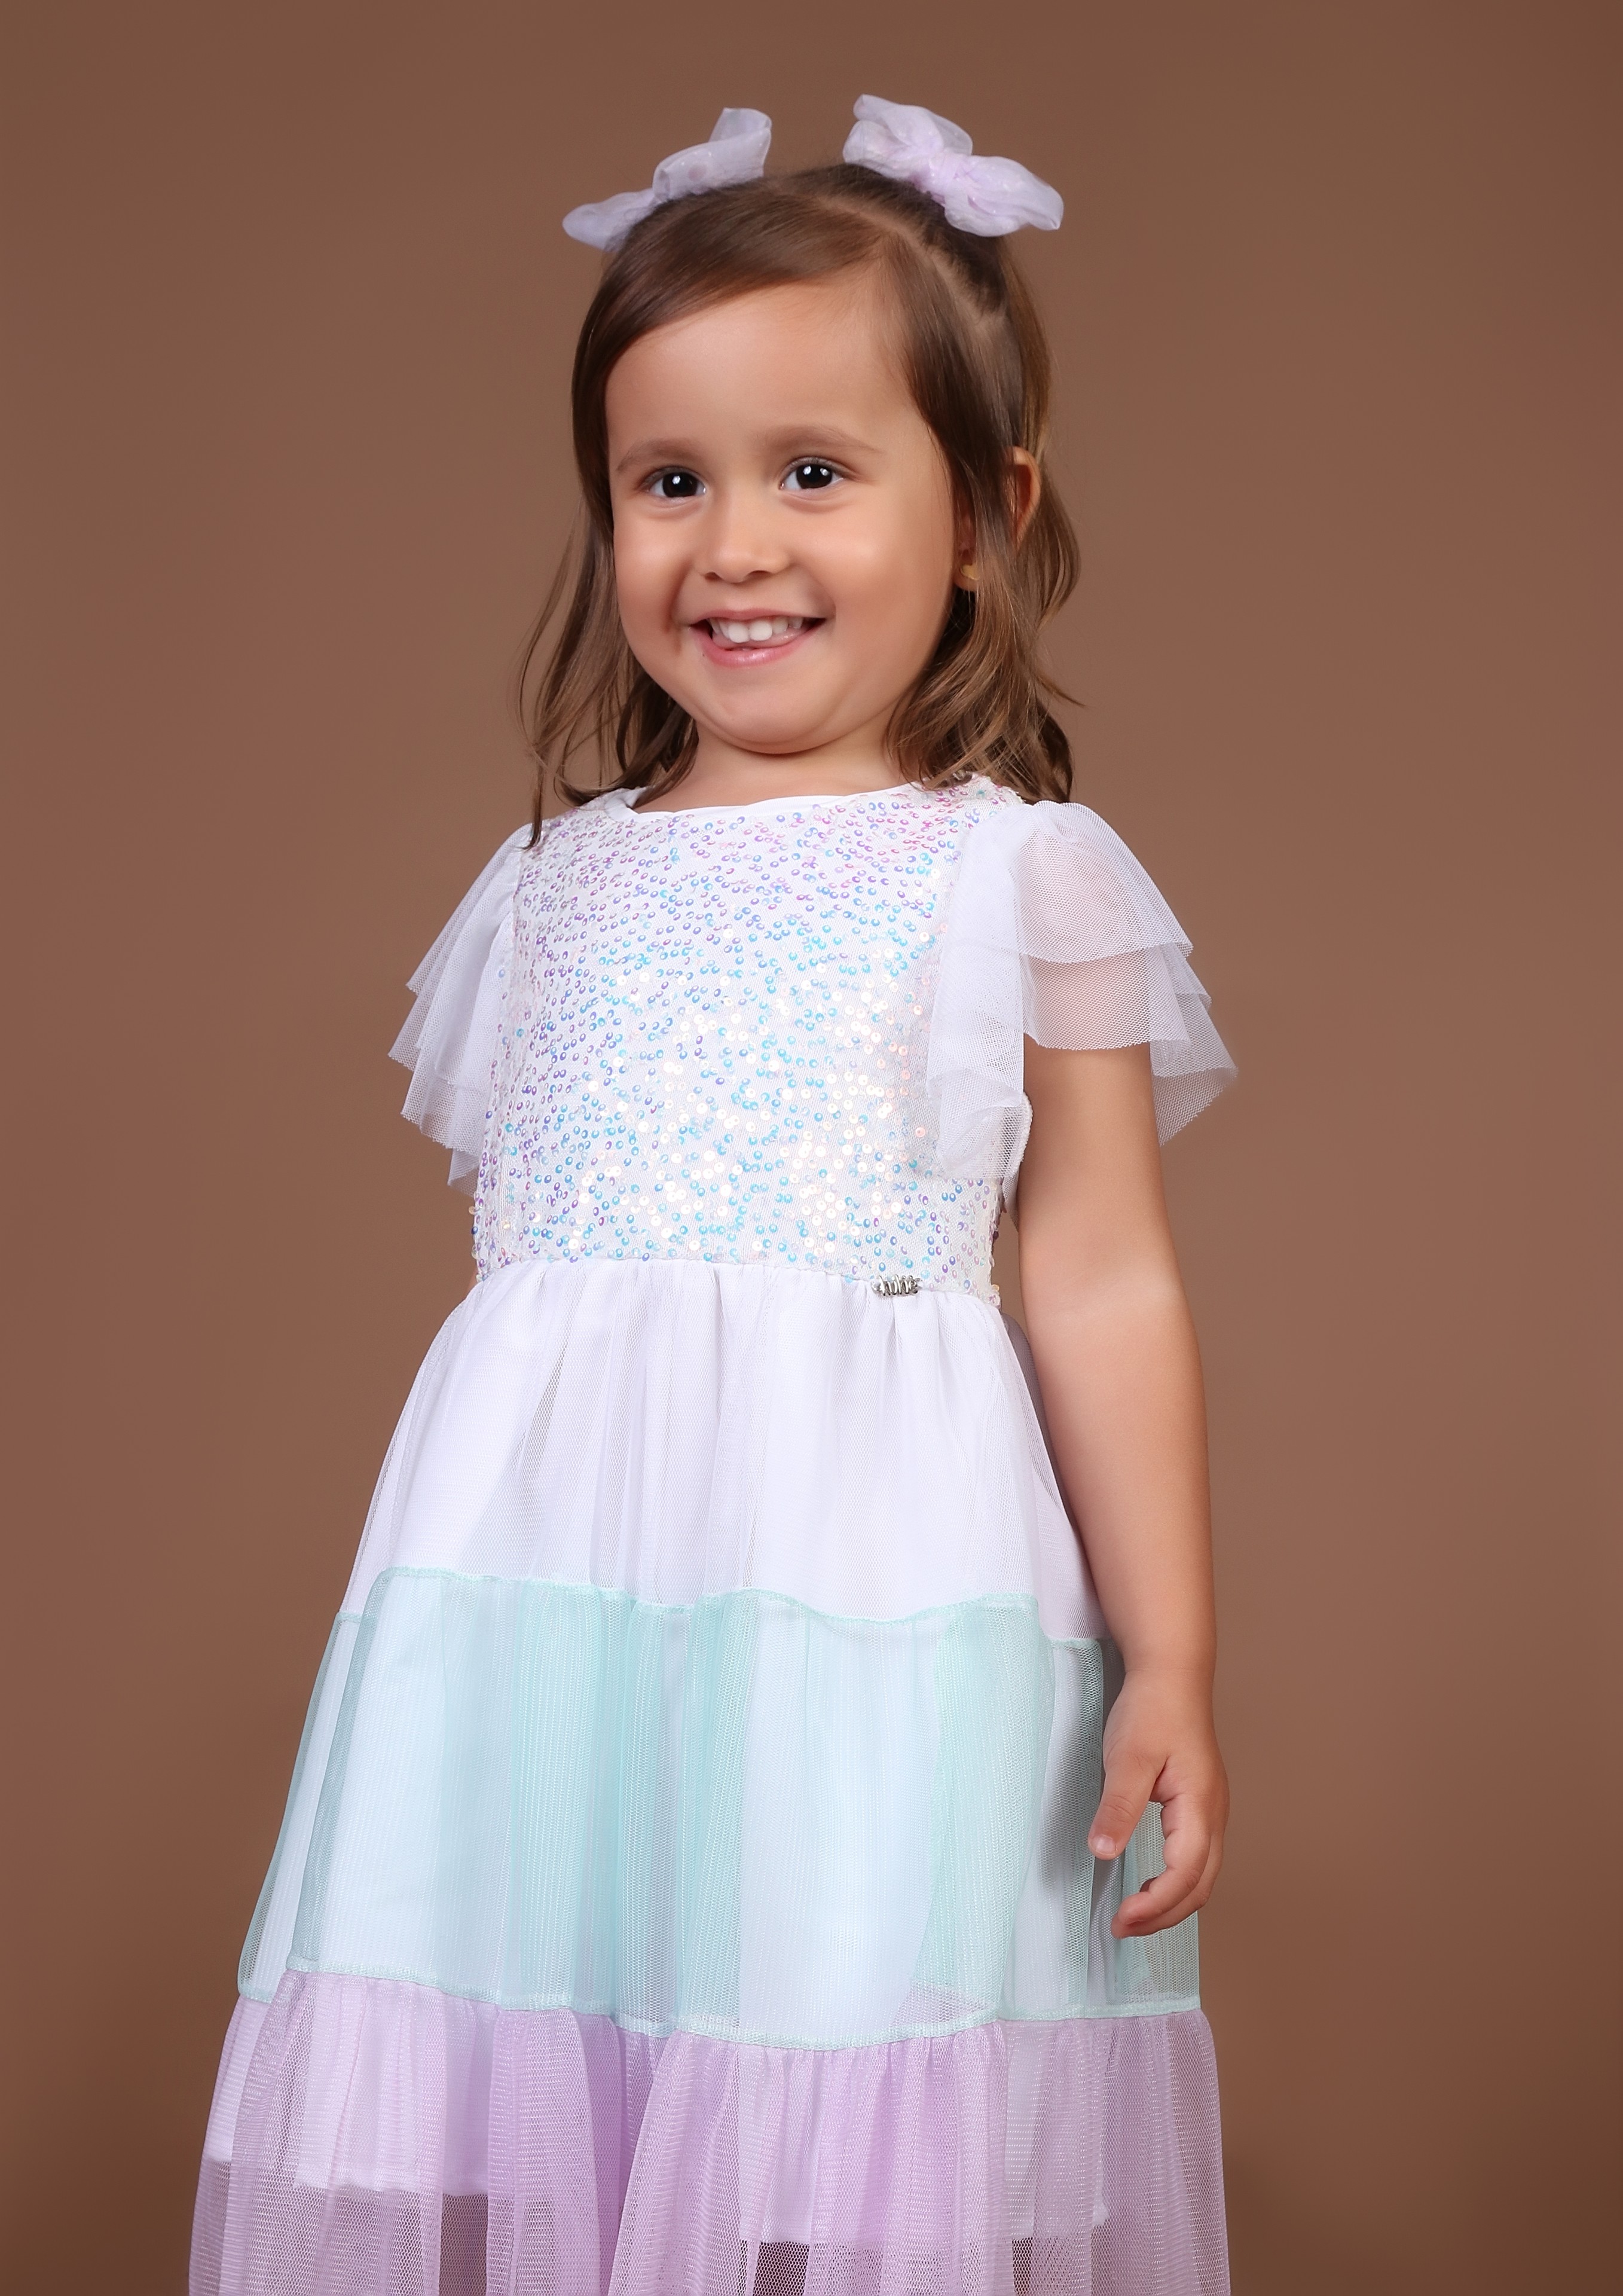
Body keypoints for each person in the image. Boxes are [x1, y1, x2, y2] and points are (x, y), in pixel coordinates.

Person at [191, 96, 1236, 2296]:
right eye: (669, 481)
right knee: (549, 2084)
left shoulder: (1017, 875)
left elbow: (1099, 1276)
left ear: (987, 516)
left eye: (813, 473)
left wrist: (1169, 1654)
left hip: (867, 1596)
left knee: (839, 2100)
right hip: (544, 1620)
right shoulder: (549, 882)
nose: (733, 544)